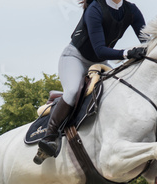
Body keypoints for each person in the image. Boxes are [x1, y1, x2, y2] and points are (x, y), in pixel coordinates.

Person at [34, 0, 147, 164]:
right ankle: (49, 136)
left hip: (100, 62)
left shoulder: (132, 10)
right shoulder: (95, 9)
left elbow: (147, 41)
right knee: (72, 92)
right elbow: (99, 49)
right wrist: (128, 52)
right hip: (75, 58)